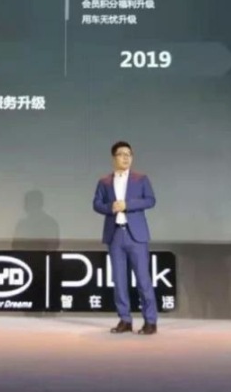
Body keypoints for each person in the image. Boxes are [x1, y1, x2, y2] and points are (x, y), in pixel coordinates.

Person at [92, 140, 158, 335]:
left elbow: (150, 200)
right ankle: (125, 319)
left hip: (136, 235)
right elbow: (96, 204)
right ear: (114, 158)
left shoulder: (141, 179)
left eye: (129, 154)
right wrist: (110, 207)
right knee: (119, 280)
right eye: (121, 154)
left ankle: (150, 321)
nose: (126, 157)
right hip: (115, 235)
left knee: (143, 279)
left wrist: (128, 205)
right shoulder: (104, 181)